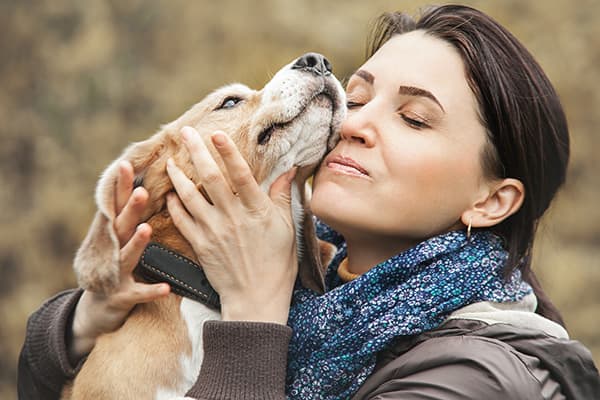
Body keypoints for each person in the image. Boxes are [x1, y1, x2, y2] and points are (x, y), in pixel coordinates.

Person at [18, 4, 600, 399]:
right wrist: (82, 323)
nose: (355, 124)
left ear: (493, 201)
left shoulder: (474, 379)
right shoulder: (317, 292)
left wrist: (253, 313)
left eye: (415, 119)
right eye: (360, 97)